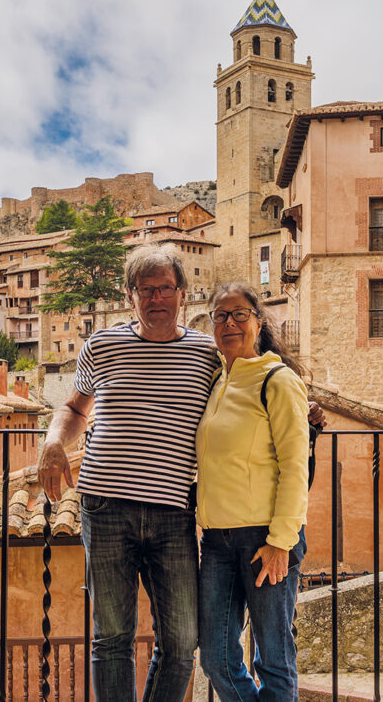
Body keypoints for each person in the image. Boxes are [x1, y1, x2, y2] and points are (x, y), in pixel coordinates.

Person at [37, 245, 322, 702]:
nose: (156, 298)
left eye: (165, 288)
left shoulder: (206, 352)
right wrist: (53, 441)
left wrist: (306, 411)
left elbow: (254, 377)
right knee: (111, 637)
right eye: (145, 289)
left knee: (182, 641)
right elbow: (74, 408)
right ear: (130, 295)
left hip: (174, 514)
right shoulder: (101, 346)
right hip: (105, 508)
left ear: (182, 295)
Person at [197, 282, 310, 702]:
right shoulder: (216, 381)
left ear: (258, 323)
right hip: (217, 543)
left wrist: (281, 542)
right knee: (216, 658)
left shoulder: (277, 379)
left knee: (274, 662)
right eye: (220, 316)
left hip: (265, 538)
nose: (229, 323)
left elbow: (295, 466)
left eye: (239, 314)